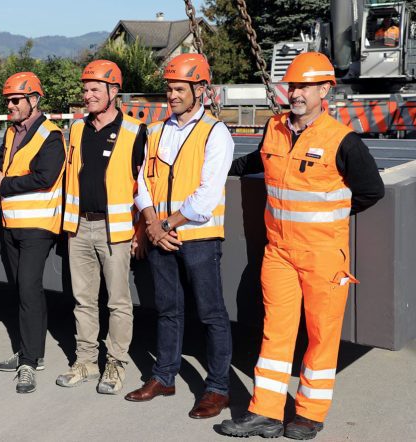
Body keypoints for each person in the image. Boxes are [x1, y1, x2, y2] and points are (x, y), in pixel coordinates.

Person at [220, 52, 384, 440]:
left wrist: (330, 220)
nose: (295, 93)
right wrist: (213, 169)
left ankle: (309, 413)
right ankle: (266, 412)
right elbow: (252, 162)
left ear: (325, 89)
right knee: (275, 332)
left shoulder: (341, 140)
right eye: (292, 85)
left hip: (324, 256)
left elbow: (370, 190)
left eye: (304, 87)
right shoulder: (275, 129)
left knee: (321, 335)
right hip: (278, 253)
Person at [124, 54, 235, 421]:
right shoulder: (156, 131)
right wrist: (152, 223)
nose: (170, 95)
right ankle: (164, 377)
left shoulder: (216, 133)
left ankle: (218, 388)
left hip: (198, 237)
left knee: (211, 314)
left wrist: (165, 225)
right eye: (168, 88)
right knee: (168, 310)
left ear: (200, 89)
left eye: (178, 89)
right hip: (161, 233)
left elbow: (206, 195)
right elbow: (142, 182)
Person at [57, 60, 146, 394]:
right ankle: (85, 361)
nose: (87, 94)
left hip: (116, 231)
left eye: (95, 89)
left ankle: (116, 364)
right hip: (79, 227)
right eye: (85, 88)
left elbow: (144, 186)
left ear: (113, 92)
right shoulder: (77, 129)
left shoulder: (135, 131)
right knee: (83, 301)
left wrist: (140, 230)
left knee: (118, 303)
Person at [0, 72, 66, 394]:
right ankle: (28, 350)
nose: (10, 105)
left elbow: (44, 177)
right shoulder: (10, 133)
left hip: (37, 226)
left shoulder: (50, 134)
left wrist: (3, 183)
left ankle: (30, 362)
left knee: (30, 290)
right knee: (20, 288)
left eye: (16, 100)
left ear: (34, 100)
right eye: (8, 100)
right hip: (11, 224)